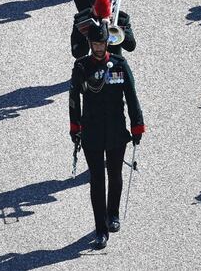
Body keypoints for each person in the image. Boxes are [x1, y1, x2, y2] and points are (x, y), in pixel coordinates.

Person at [69, 22, 145, 249]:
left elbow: (131, 96)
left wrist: (137, 125)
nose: (99, 47)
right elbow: (74, 100)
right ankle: (100, 228)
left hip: (115, 129)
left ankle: (113, 214)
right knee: (97, 181)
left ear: (107, 42)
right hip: (91, 131)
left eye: (102, 43)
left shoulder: (119, 65)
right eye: (95, 44)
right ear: (90, 44)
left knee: (114, 174)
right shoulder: (82, 67)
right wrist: (75, 127)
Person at [71, 0, 135, 58]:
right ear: (92, 5)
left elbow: (131, 46)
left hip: (113, 60)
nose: (103, 12)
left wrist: (117, 28)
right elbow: (77, 53)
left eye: (106, 7)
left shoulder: (121, 19)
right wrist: (90, 33)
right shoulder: (82, 20)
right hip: (91, 63)